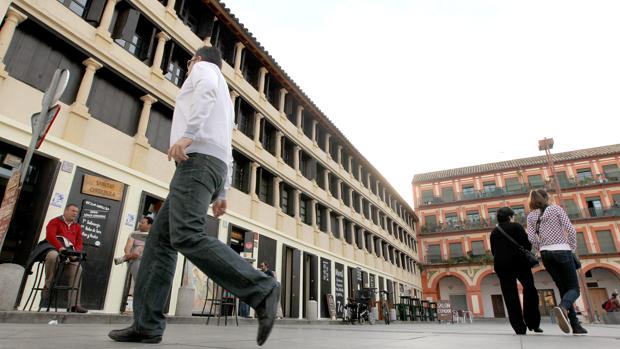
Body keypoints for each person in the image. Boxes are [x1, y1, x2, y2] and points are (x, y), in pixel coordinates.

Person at [108, 47, 279, 346]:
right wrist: (222, 189)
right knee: (160, 243)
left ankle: (261, 289)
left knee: (187, 234)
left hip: (196, 162)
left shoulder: (204, 71)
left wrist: (187, 134)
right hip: (210, 165)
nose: (188, 68)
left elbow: (206, 92)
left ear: (196, 60)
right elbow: (227, 143)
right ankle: (146, 325)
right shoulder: (225, 98)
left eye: (188, 63)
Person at [526, 189, 587, 335]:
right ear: (546, 198)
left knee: (563, 289)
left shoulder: (531, 216)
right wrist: (571, 248)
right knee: (574, 289)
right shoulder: (556, 209)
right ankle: (564, 307)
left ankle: (575, 325)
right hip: (562, 251)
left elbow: (531, 238)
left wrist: (541, 247)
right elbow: (571, 231)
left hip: (546, 254)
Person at [490, 207, 541, 335]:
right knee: (530, 289)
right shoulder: (516, 227)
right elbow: (527, 245)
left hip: (502, 266)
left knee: (510, 296)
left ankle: (519, 328)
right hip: (520, 263)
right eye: (513, 216)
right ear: (509, 217)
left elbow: (493, 251)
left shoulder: (494, 232)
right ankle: (533, 323)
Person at [44, 203, 88, 313]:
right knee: (53, 256)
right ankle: (49, 284)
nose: (75, 213)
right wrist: (60, 248)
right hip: (55, 249)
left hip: (69, 254)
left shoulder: (77, 226)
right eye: (73, 211)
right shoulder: (55, 221)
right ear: (66, 211)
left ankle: (74, 305)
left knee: (78, 268)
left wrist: (75, 253)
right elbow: (50, 236)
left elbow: (79, 242)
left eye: (76, 212)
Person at [117, 217, 152, 288]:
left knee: (141, 248)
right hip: (135, 259)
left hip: (147, 259)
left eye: (143, 223)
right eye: (140, 222)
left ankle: (124, 258)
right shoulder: (134, 234)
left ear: (149, 225)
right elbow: (127, 248)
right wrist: (129, 255)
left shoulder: (153, 235)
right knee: (140, 282)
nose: (140, 224)